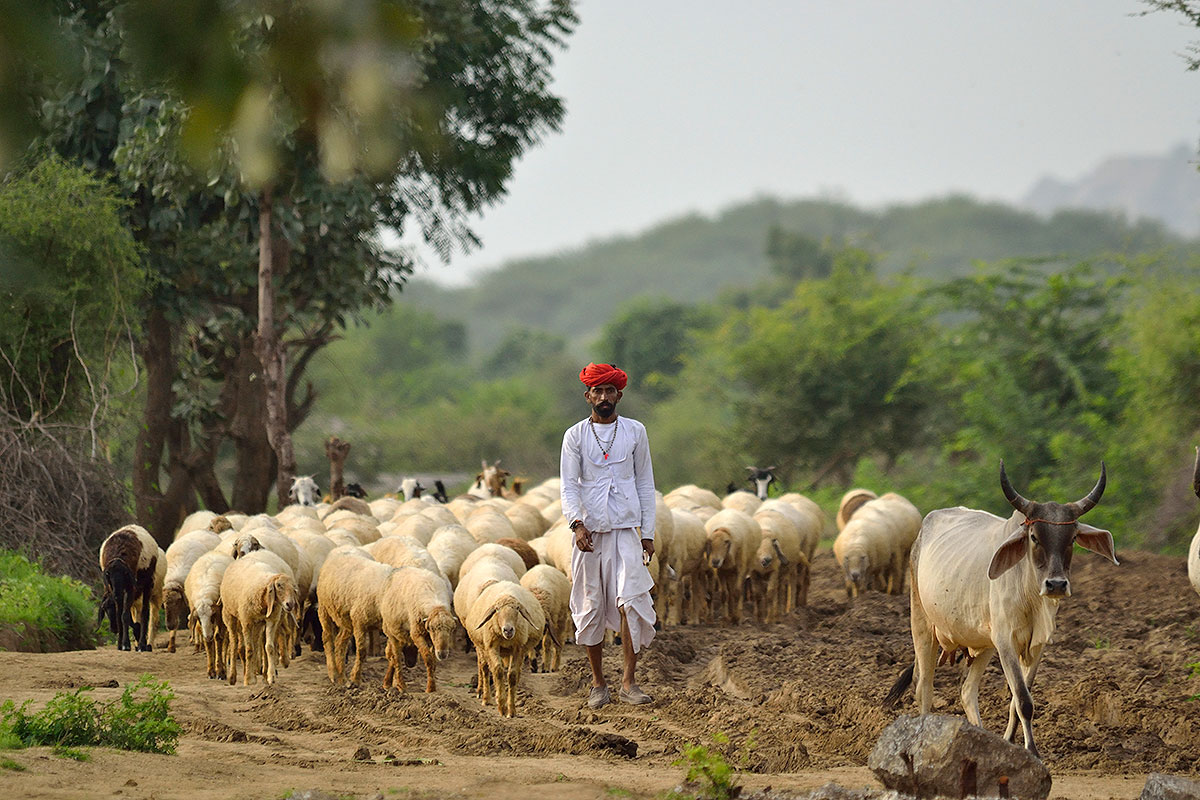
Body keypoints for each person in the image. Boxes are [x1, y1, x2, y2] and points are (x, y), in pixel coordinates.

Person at [560, 362, 657, 709]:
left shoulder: (635, 432)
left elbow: (645, 482)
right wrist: (576, 524)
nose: (604, 397)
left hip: (626, 531)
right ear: (588, 396)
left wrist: (648, 532)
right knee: (591, 605)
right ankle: (598, 683)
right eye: (597, 391)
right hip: (590, 534)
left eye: (609, 391)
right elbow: (569, 486)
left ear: (619, 395)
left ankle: (629, 682)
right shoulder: (574, 436)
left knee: (631, 602)